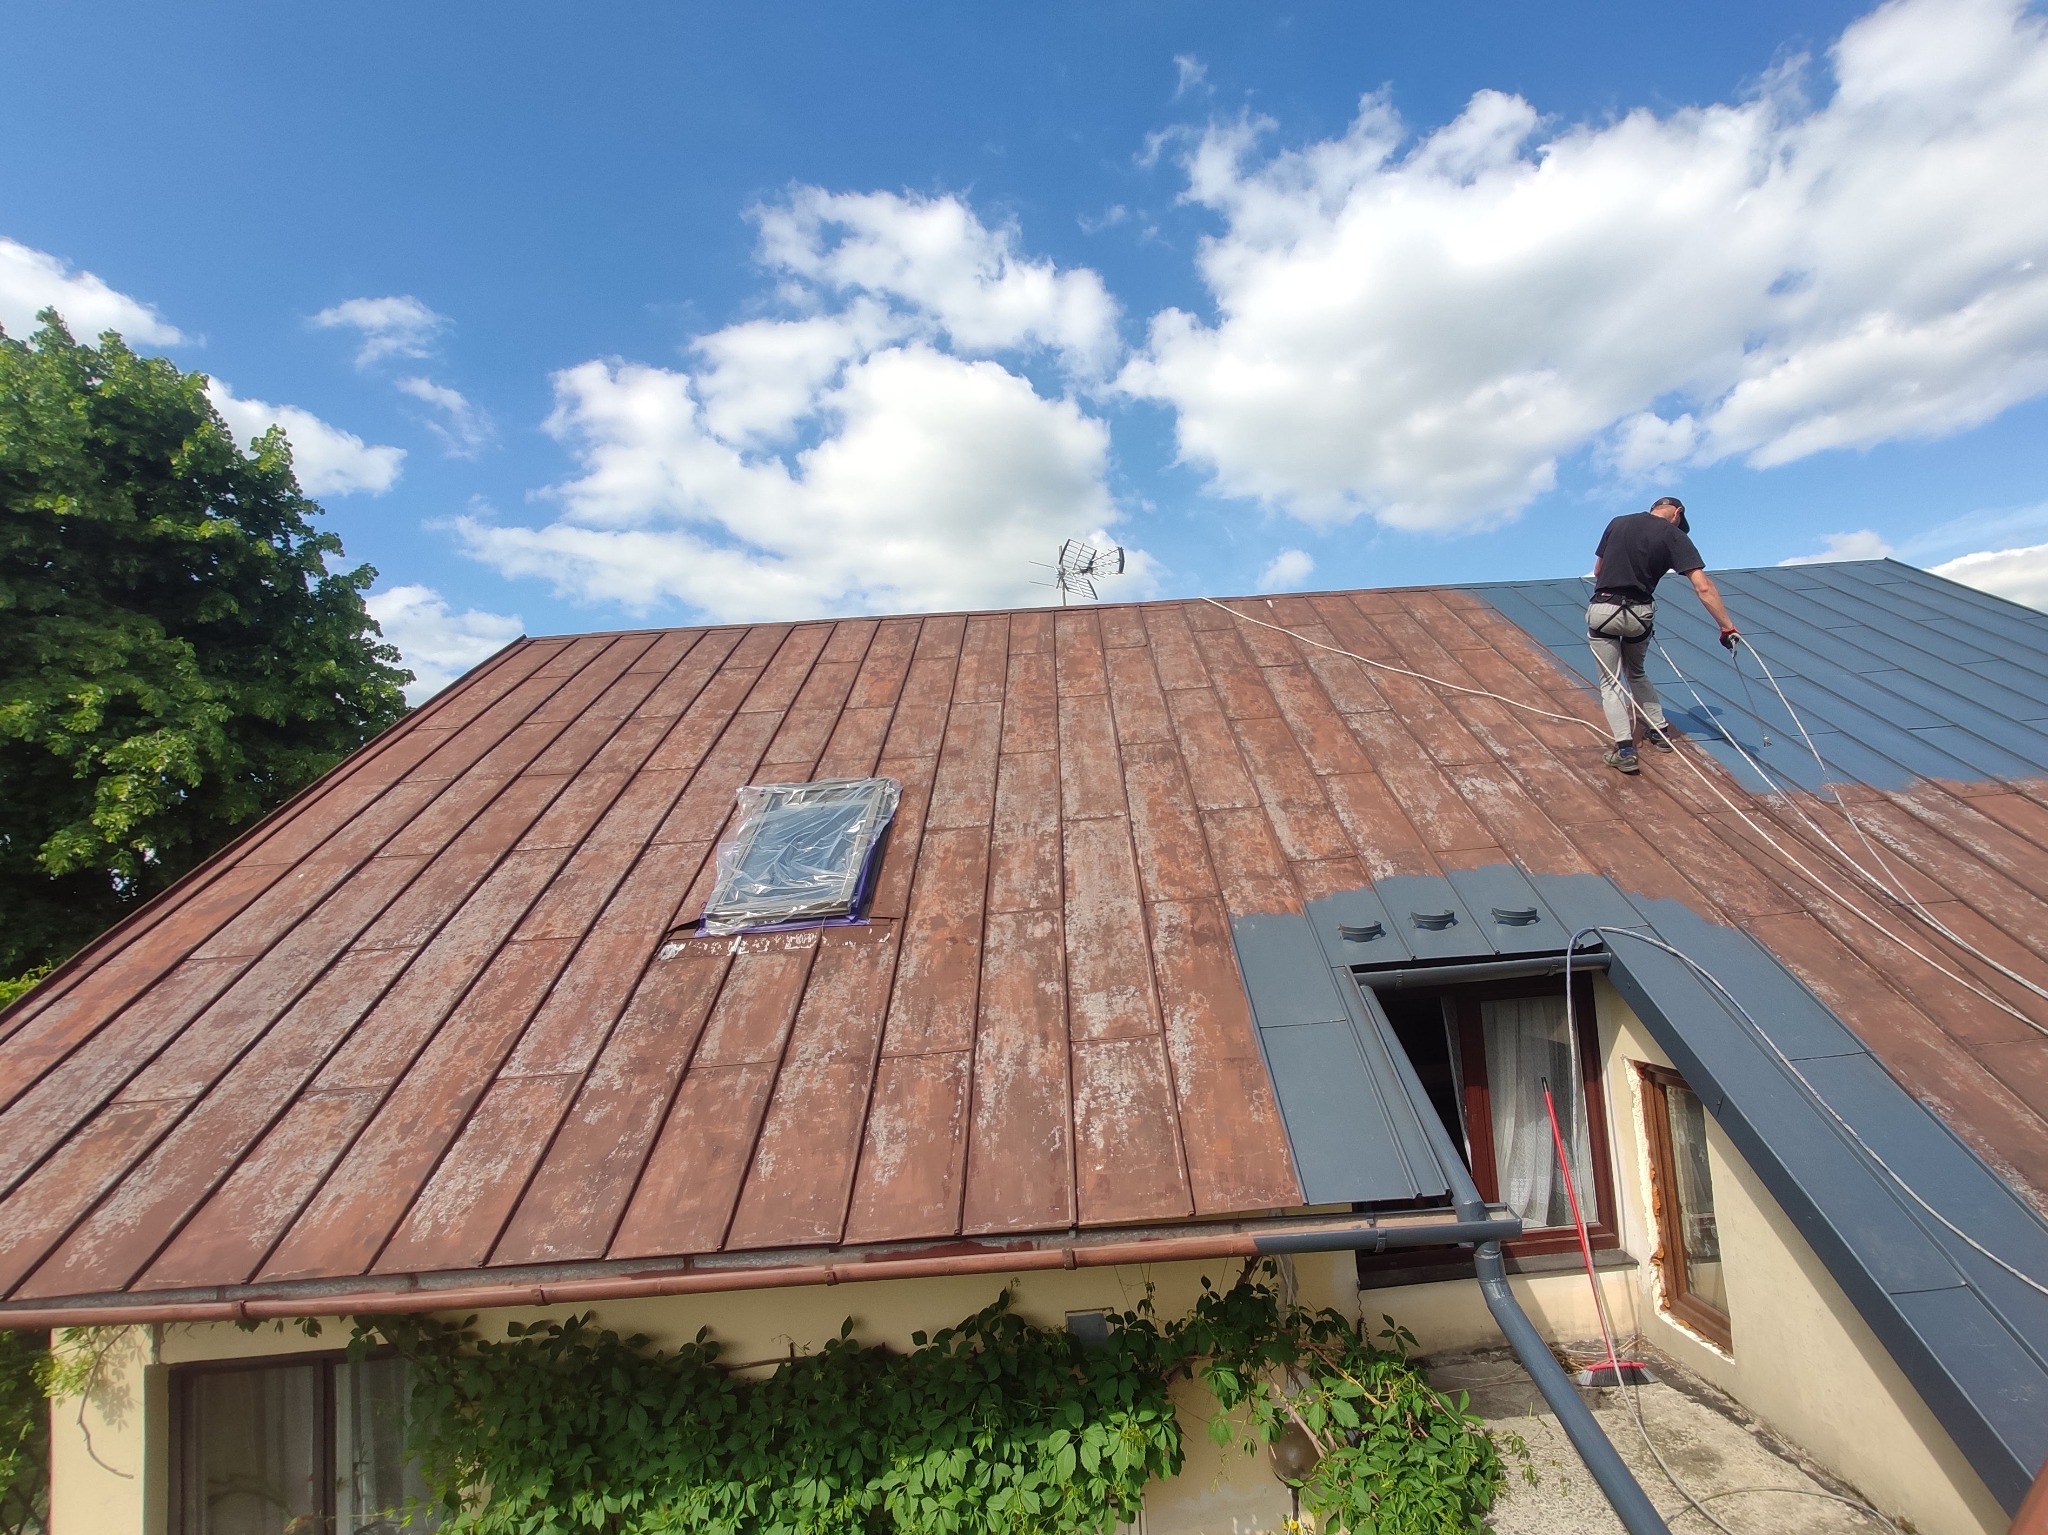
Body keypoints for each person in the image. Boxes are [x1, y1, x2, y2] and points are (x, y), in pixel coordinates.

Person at [1586, 496, 1740, 775]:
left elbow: (1598, 570)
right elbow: (1703, 587)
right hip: (1639, 615)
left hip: (1604, 609)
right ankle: (1658, 731)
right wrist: (1726, 626)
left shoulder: (1618, 523)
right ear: (1677, 513)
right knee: (1636, 672)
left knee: (1610, 683)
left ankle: (1625, 751)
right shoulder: (1673, 536)